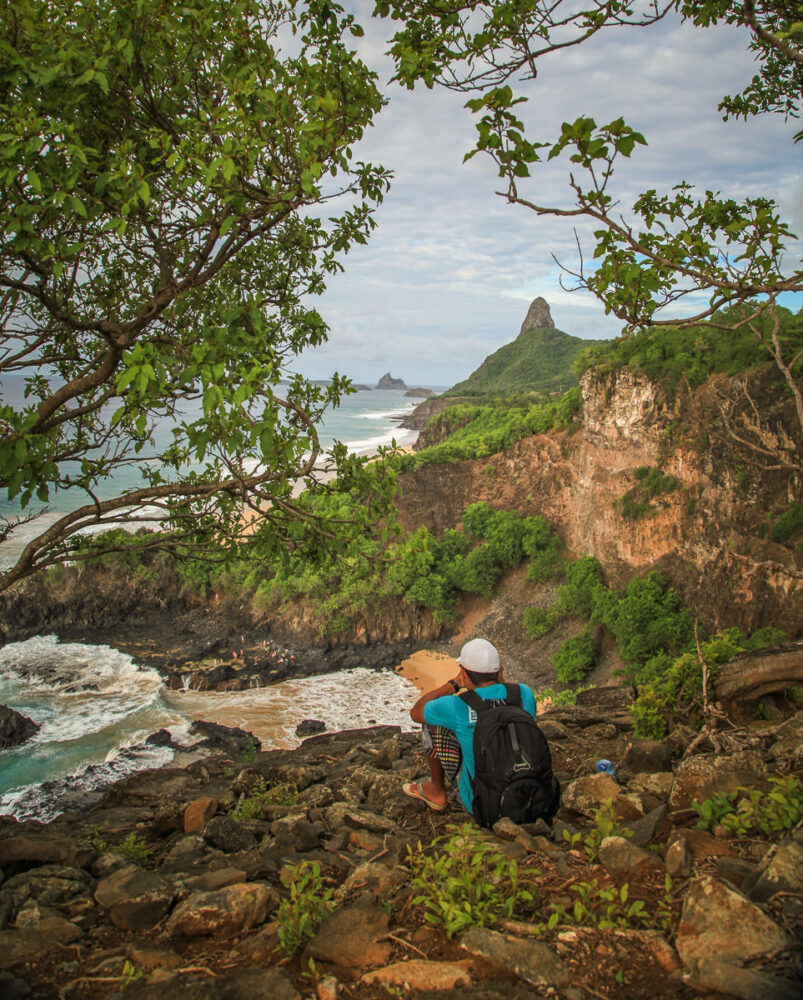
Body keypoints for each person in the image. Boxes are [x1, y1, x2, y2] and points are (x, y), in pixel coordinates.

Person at [402, 637, 537, 815]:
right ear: (499, 669)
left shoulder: (456, 706)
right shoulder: (523, 693)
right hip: (532, 799)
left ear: (464, 673)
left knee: (432, 722)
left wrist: (453, 684)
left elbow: (416, 712)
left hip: (484, 806)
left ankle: (436, 791)